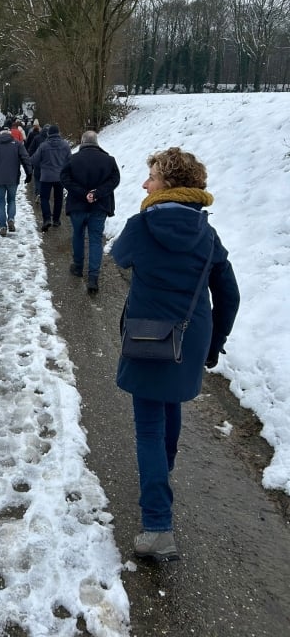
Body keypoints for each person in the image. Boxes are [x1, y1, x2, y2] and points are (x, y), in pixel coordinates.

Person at [111, 147, 240, 562]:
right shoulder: (207, 234)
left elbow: (118, 259)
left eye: (150, 176)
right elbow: (229, 294)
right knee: (171, 405)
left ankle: (157, 526)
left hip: (148, 336)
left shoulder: (141, 225)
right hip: (190, 335)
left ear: (166, 183)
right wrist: (215, 341)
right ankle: (159, 476)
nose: (144, 184)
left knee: (148, 425)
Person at [61, 130, 120, 293]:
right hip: (99, 207)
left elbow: (64, 178)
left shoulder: (73, 159)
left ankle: (78, 267)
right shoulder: (109, 160)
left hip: (77, 206)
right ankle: (93, 276)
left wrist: (82, 192)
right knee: (95, 240)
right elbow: (115, 180)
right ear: (96, 142)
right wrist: (96, 194)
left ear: (82, 141)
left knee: (78, 235)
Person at [0, 127, 32, 236]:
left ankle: (2, 226)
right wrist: (29, 173)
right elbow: (25, 158)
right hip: (12, 178)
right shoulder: (17, 144)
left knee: (0, 202)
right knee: (11, 200)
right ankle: (11, 218)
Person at [31, 124, 72, 231]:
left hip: (46, 176)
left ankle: (47, 219)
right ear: (58, 133)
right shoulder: (65, 145)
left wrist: (42, 165)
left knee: (44, 198)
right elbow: (69, 161)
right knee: (58, 199)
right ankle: (56, 220)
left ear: (49, 134)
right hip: (60, 177)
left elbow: (34, 160)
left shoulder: (43, 146)